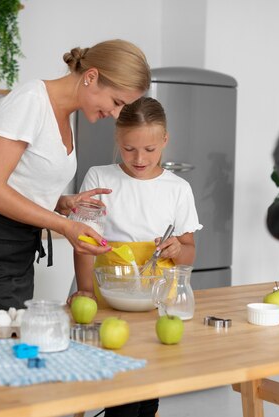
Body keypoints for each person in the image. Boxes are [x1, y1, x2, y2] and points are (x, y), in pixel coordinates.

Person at [0, 39, 151, 316]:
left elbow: (20, 184)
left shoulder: (65, 116)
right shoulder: (31, 101)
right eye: (115, 102)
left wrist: (61, 202)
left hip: (18, 253)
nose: (114, 114)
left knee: (12, 350)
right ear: (91, 76)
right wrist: (65, 226)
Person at [68, 97, 202, 417]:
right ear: (117, 138)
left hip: (157, 301)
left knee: (149, 382)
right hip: (109, 295)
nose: (139, 158)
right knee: (121, 383)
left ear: (165, 141)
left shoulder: (178, 188)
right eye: (129, 149)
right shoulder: (100, 178)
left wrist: (177, 250)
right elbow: (84, 242)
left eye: (150, 150)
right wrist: (86, 290)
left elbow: (189, 252)